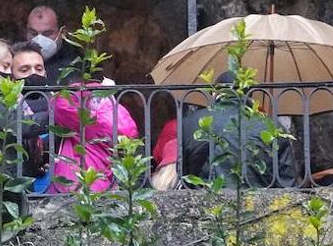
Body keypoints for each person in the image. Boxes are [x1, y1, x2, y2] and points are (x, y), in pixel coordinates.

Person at [151, 72, 297, 189]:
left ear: (215, 94)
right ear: (250, 96)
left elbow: (182, 173)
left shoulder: (190, 123)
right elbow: (288, 183)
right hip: (260, 209)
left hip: (206, 206)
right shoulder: (271, 126)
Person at [48, 80, 138, 194]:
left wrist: (80, 90)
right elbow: (129, 131)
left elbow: (59, 105)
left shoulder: (86, 121)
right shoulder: (117, 113)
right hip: (104, 179)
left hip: (77, 180)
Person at [25, 5, 81, 85]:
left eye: (47, 34)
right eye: (33, 33)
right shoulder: (17, 57)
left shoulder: (77, 63)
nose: (39, 39)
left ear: (62, 32)